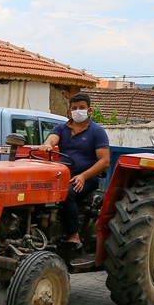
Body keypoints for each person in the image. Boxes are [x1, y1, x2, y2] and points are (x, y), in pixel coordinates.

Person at [43, 93, 110, 248]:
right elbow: (52, 138)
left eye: (82, 107)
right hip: (63, 175)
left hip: (87, 177)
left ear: (89, 110)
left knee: (67, 194)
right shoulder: (61, 128)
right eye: (74, 108)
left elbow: (104, 161)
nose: (77, 111)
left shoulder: (97, 132)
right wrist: (48, 145)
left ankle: (74, 236)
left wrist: (84, 176)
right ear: (69, 111)